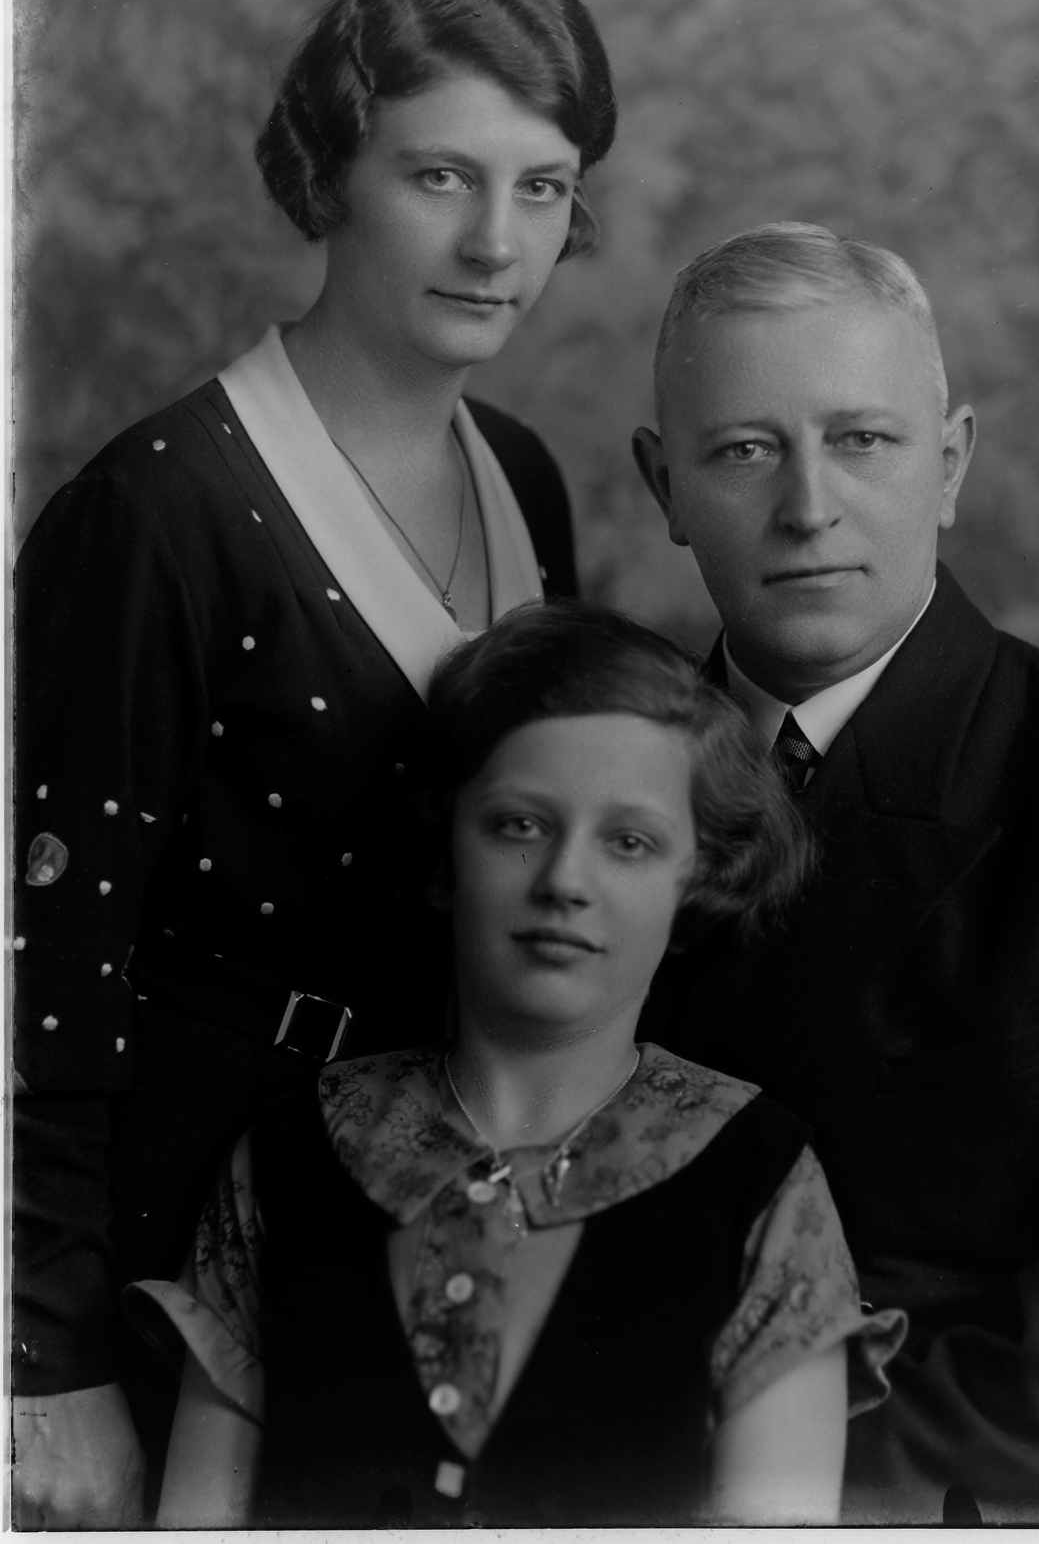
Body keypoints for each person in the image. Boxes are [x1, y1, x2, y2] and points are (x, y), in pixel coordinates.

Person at [12, 0, 617, 1527]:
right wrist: (42, 1358)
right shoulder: (157, 513)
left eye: (543, 188)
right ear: (328, 171)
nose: (496, 243)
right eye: (440, 175)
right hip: (181, 1207)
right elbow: (38, 967)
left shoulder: (522, 475)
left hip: (433, 1196)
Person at [632, 221, 1039, 1525]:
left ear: (948, 464)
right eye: (745, 449)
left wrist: (760, 1483)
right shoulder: (576, 791)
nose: (809, 506)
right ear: (664, 484)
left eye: (863, 440)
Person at [126, 602, 904, 1527]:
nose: (564, 881)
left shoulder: (761, 1182)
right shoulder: (291, 1153)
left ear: (698, 879)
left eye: (629, 842)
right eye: (518, 825)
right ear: (444, 846)